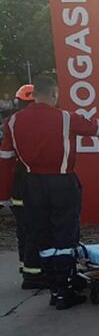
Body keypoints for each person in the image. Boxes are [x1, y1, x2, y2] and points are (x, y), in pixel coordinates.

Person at [0, 76, 99, 309]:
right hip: (62, 182)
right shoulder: (64, 118)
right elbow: (98, 128)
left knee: (43, 238)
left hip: (31, 185)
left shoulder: (12, 122)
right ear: (53, 94)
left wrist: (4, 194)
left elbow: (6, 159)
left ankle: (54, 289)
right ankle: (64, 290)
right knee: (65, 237)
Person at [2, 85, 44, 289]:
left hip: (17, 187)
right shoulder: (29, 124)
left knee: (24, 231)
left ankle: (26, 269)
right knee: (35, 229)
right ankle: (33, 275)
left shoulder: (11, 123)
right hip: (29, 185)